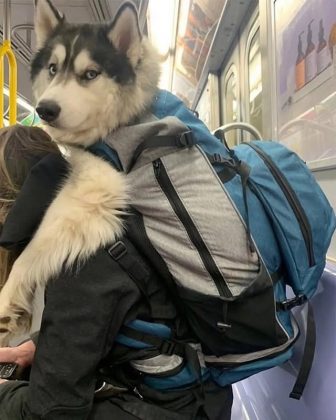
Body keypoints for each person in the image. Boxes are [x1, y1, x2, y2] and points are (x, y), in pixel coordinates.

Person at [0, 124, 233, 419]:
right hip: (199, 388)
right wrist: (31, 349)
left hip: (178, 407)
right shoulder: (94, 211)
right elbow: (99, 322)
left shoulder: (77, 258)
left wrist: (4, 391)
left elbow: (52, 411)